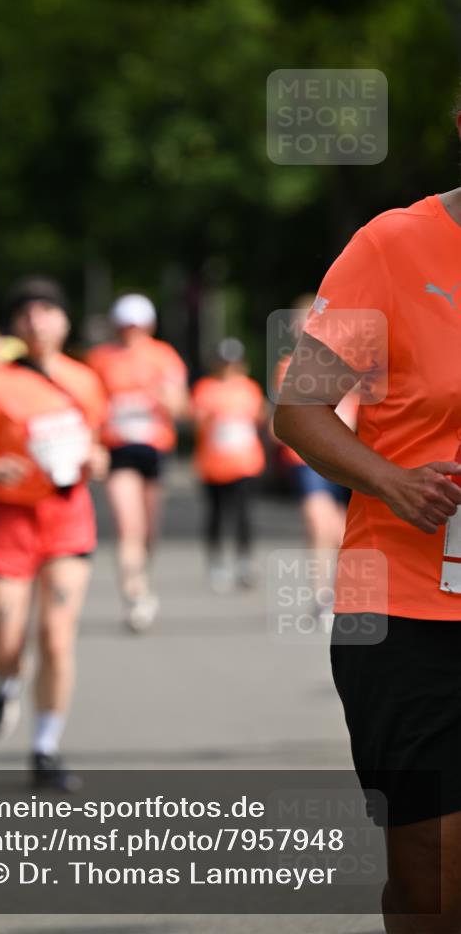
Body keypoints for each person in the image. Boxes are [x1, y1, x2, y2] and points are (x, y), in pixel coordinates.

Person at [274, 106, 461, 934]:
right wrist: (391, 482)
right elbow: (298, 409)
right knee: (431, 873)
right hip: (406, 607)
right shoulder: (391, 246)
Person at [0, 277, 107, 791]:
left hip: (66, 517)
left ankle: (45, 747)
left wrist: (98, 460)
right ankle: (6, 681)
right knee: (7, 642)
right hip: (5, 520)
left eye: (47, 310)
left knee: (57, 638)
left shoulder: (85, 380)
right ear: (14, 326)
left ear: (64, 321)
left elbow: (97, 443)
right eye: (26, 313)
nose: (37, 321)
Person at [86, 294, 188, 631]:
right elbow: (89, 406)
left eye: (138, 326)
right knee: (128, 525)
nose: (132, 333)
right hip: (118, 449)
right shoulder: (100, 359)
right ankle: (134, 594)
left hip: (154, 448)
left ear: (149, 326)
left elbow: (180, 407)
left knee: (149, 530)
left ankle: (142, 577)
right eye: (126, 326)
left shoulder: (164, 356)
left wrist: (164, 397)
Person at [273, 294, 359, 616]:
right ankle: (322, 595)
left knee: (343, 530)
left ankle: (342, 593)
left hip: (353, 458)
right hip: (309, 459)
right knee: (319, 522)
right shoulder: (289, 367)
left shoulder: (356, 363)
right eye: (300, 326)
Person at [190, 338, 268, 593]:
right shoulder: (205, 388)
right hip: (213, 464)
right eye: (224, 363)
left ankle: (244, 561)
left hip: (245, 463)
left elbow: (260, 417)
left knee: (244, 514)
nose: (228, 368)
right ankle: (216, 562)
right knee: (216, 514)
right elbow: (197, 422)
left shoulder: (249, 388)